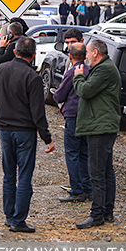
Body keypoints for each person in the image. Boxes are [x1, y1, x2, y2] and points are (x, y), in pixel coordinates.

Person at [0, 37, 55, 233]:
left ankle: (9, 216)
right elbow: (38, 112)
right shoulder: (32, 77)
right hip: (25, 131)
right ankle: (18, 220)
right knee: (24, 176)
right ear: (33, 55)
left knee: (8, 175)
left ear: (15, 52)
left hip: (6, 130)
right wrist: (47, 138)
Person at [73, 39, 121, 229]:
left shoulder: (104, 69)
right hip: (102, 125)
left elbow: (85, 90)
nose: (85, 56)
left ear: (95, 53)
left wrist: (77, 76)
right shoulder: (104, 67)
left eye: (87, 52)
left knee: (97, 172)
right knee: (106, 170)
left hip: (101, 127)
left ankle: (97, 214)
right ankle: (107, 212)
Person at [53, 42, 91, 203]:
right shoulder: (91, 71)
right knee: (84, 153)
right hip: (87, 117)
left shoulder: (72, 72)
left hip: (73, 116)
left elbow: (60, 95)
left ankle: (76, 190)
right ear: (86, 55)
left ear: (70, 56)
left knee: (72, 154)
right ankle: (87, 188)